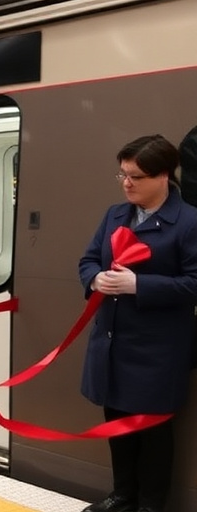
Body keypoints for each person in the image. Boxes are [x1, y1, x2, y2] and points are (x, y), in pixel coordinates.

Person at [78, 135, 197, 512]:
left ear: (164, 176)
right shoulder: (114, 215)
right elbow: (88, 260)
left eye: (136, 176)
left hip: (158, 350)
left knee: (152, 433)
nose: (127, 183)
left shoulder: (189, 222)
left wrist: (139, 284)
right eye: (122, 175)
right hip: (111, 343)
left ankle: (150, 505)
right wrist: (95, 279)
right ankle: (122, 496)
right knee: (117, 426)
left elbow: (194, 283)